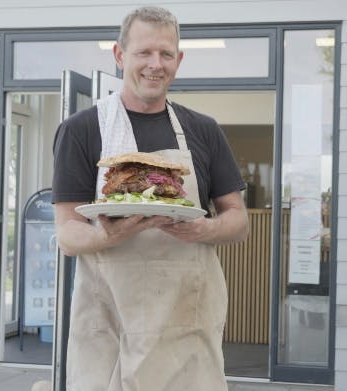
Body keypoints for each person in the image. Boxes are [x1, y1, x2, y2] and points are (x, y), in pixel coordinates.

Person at [52, 6, 248, 391]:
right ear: (120, 55)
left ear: (179, 60)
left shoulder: (203, 131)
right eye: (144, 52)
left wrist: (205, 229)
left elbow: (238, 221)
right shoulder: (81, 130)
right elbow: (68, 235)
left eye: (166, 54)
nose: (155, 65)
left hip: (186, 332)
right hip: (112, 330)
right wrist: (109, 235)